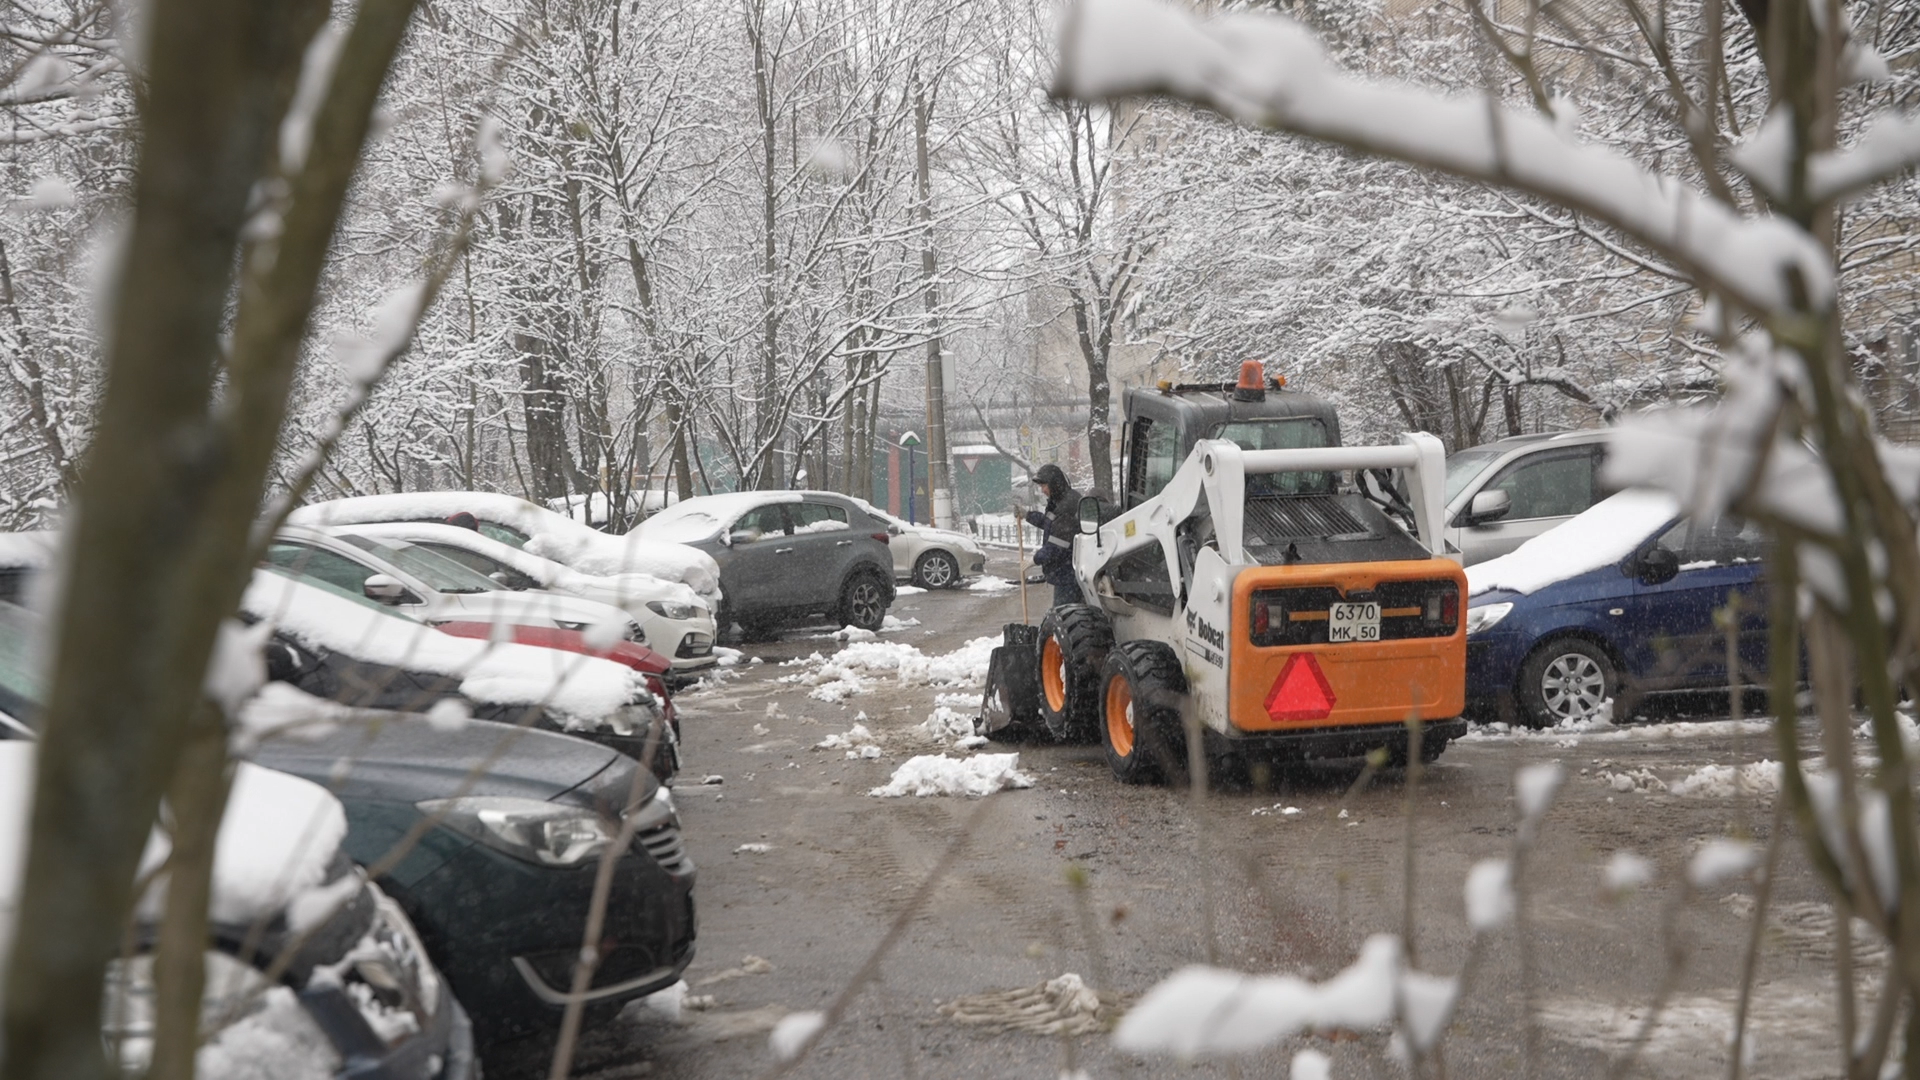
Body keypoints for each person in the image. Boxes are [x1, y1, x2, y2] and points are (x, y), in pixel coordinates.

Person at [1024, 464, 1083, 607]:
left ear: (1054, 484)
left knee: (1063, 616)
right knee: (1064, 615)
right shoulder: (1059, 501)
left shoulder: (1067, 506)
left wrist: (1035, 559)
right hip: (1066, 572)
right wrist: (1027, 515)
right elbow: (1049, 523)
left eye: (1044, 485)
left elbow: (1057, 546)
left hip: (1069, 575)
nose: (1042, 490)